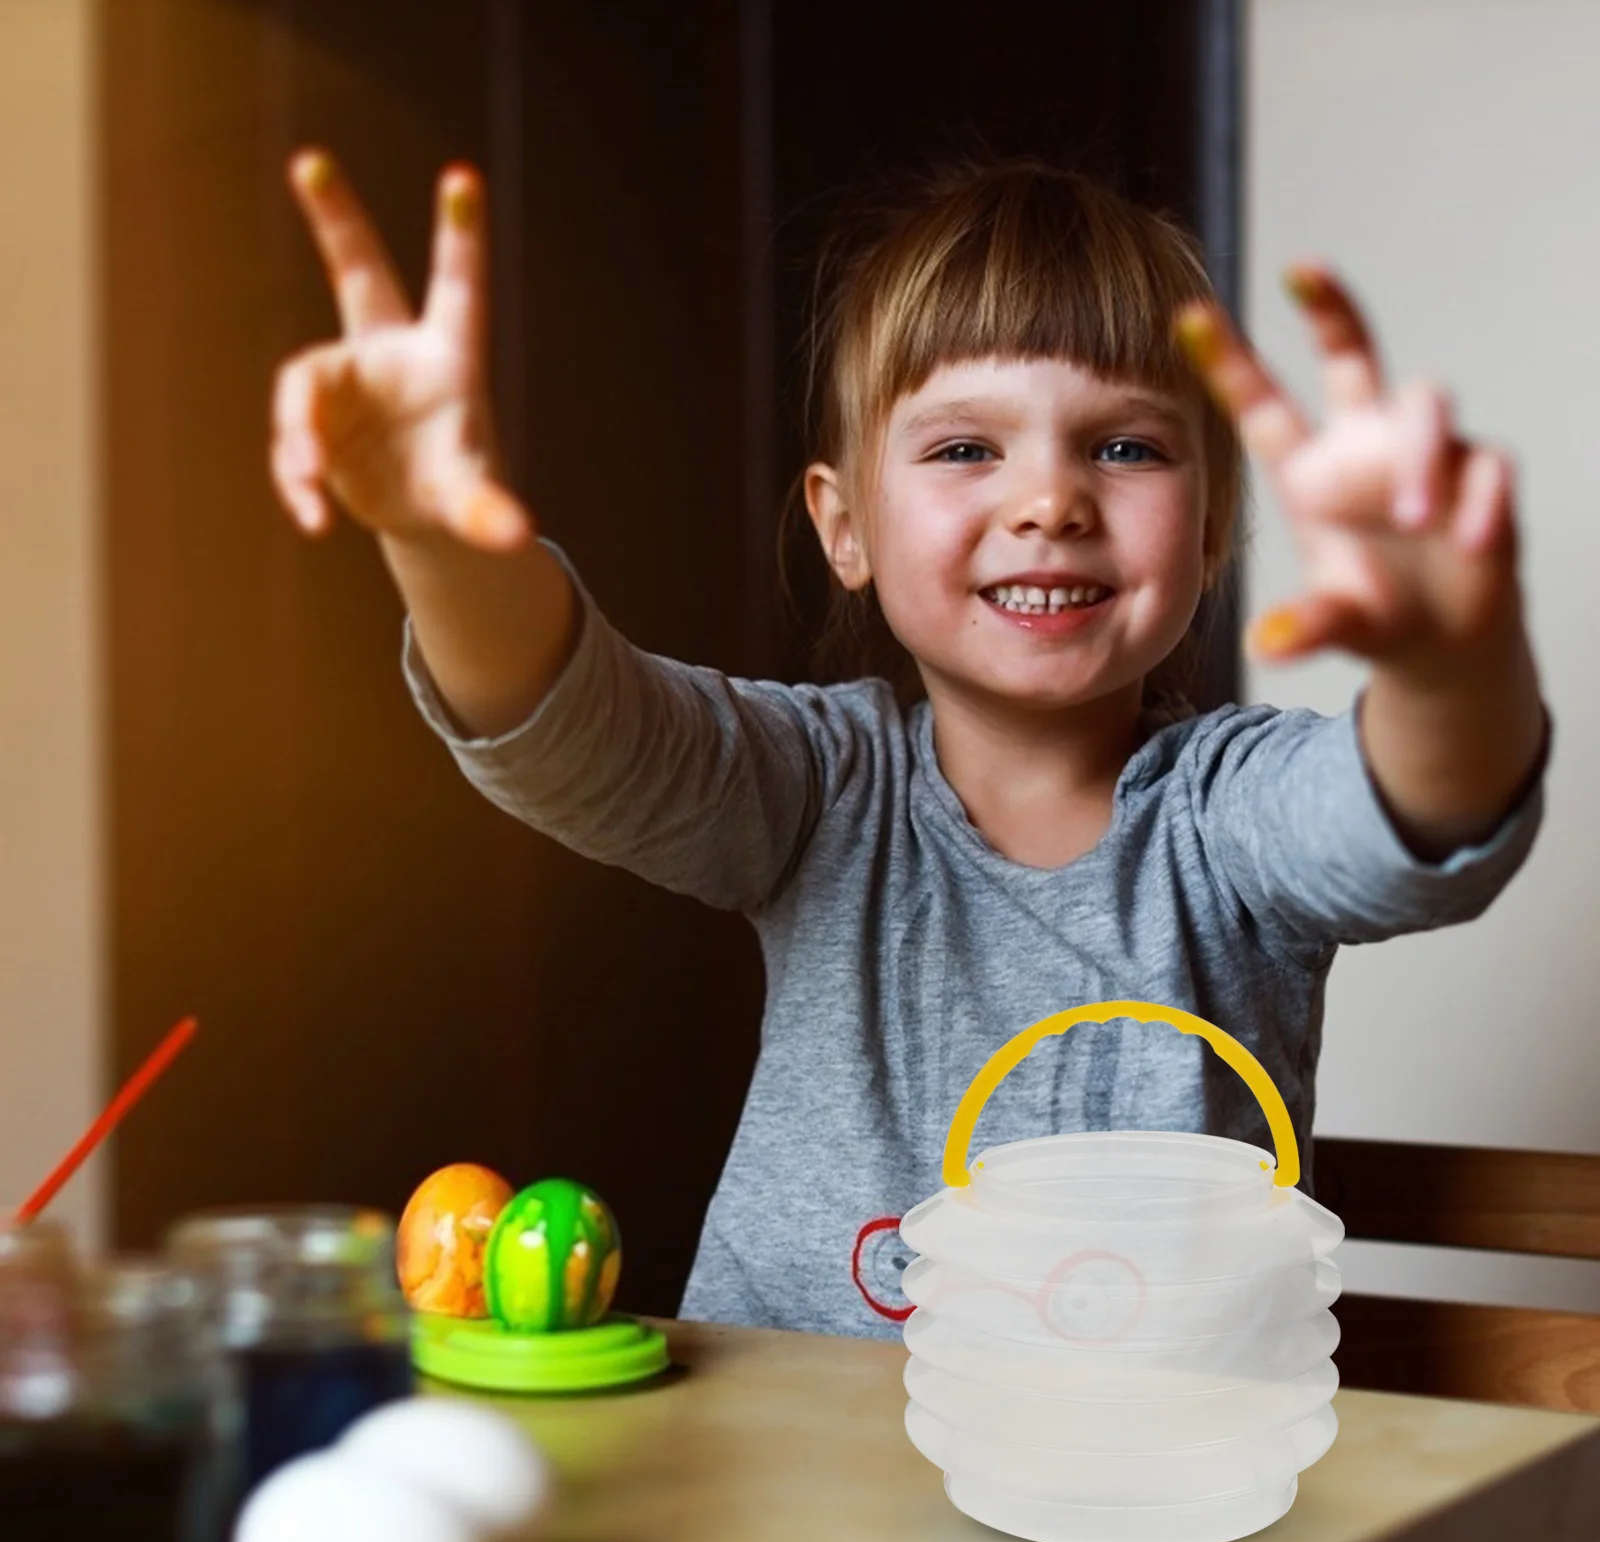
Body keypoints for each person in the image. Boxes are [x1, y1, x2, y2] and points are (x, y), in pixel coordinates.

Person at [270, 151, 1546, 1339]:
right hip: (792, 1507)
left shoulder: (1230, 818)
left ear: (1210, 526)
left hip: (1150, 1526)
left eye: (1124, 446)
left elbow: (1414, 811)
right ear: (846, 527)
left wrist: (1446, 655)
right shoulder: (817, 790)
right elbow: (576, 732)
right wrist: (438, 539)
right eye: (963, 448)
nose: (1049, 500)